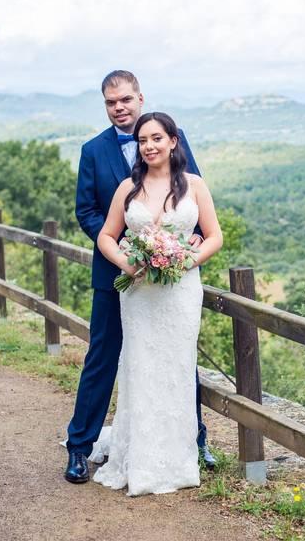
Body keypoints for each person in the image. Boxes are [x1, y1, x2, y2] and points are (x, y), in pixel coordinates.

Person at [64, 71, 216, 484]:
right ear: (105, 104)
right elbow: (87, 213)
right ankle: (80, 446)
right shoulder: (93, 151)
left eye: (126, 99)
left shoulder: (172, 135)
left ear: (140, 97)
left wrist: (178, 252)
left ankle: (194, 441)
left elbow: (193, 200)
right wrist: (129, 252)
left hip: (171, 279)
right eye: (112, 102)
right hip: (118, 276)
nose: (120, 107)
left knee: (176, 355)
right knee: (102, 358)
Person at [92, 111, 223, 495]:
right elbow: (106, 236)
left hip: (181, 292)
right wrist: (124, 262)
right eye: (143, 140)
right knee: (141, 366)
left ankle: (178, 458)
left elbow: (214, 236)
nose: (149, 146)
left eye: (156, 139)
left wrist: (185, 260)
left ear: (172, 141)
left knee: (177, 368)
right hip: (139, 296)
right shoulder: (127, 189)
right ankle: (140, 458)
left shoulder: (194, 186)